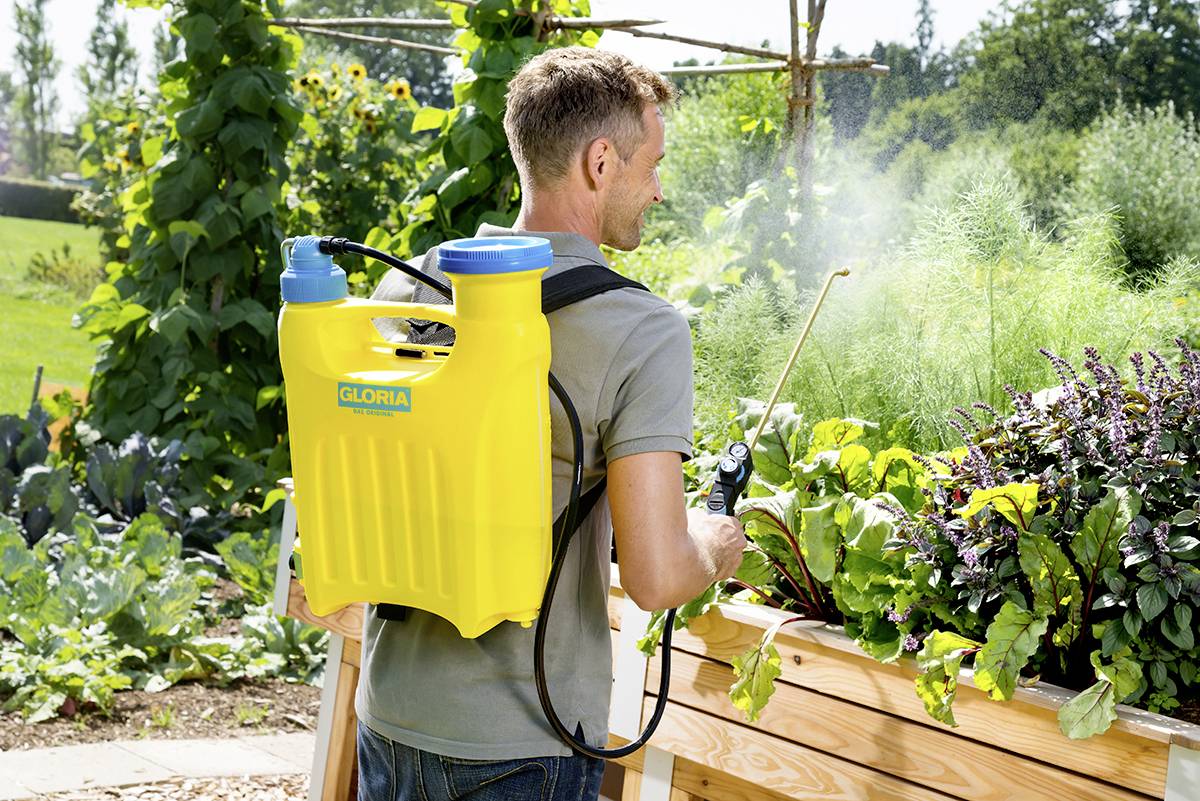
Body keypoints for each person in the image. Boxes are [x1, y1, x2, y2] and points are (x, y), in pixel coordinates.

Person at [356, 47, 747, 801]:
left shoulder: (411, 282)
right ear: (601, 162)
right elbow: (656, 575)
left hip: (390, 716)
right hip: (518, 747)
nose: (658, 189)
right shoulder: (639, 328)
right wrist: (712, 541)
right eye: (651, 163)